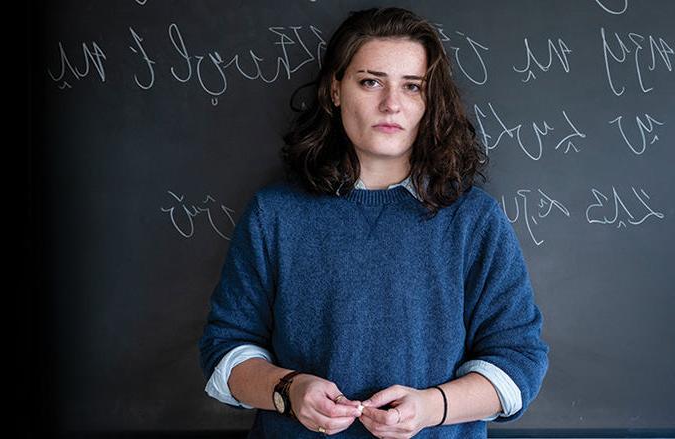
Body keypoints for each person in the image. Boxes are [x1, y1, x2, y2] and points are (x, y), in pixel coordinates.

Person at [199, 6, 549, 438]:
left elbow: (518, 361)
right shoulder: (276, 213)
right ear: (335, 90)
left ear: (428, 101)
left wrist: (431, 407)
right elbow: (226, 349)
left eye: (412, 86)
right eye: (370, 82)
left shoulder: (473, 219)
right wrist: (288, 390)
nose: (391, 104)